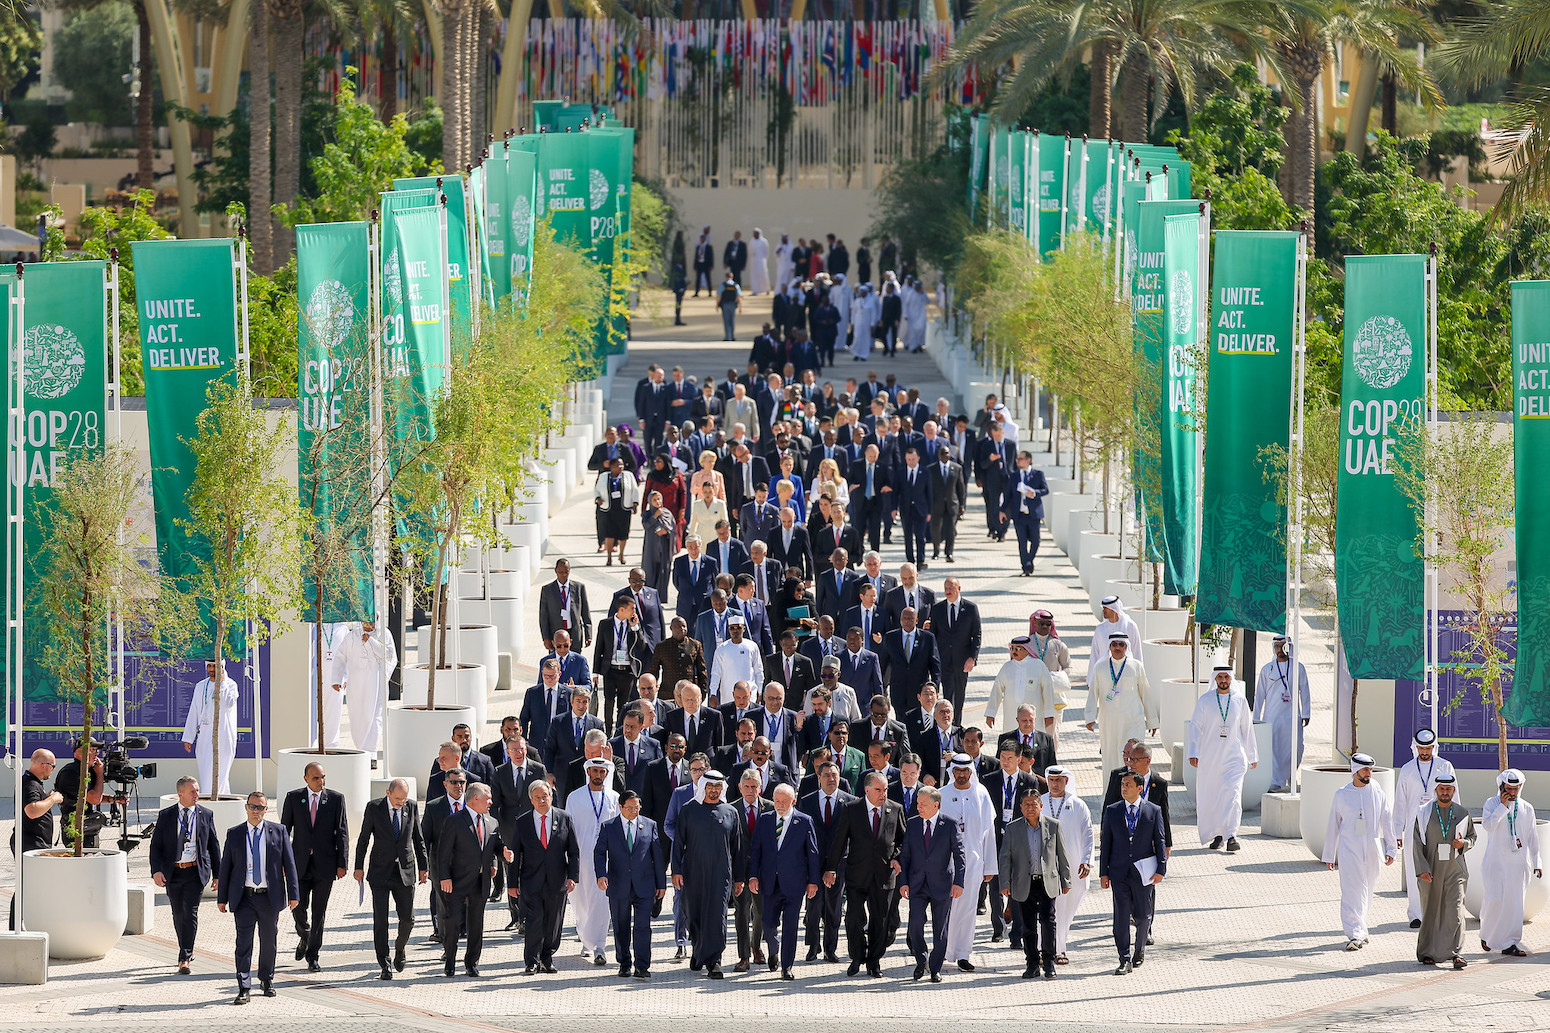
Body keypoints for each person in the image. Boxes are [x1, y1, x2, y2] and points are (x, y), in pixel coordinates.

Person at [217, 791, 299, 1004]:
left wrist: (294, 894)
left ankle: (266, 979)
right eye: (252, 807)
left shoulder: (278, 831)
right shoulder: (235, 833)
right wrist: (222, 898)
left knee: (268, 941)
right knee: (243, 943)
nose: (256, 811)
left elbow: (289, 864)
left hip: (268, 897)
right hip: (244, 897)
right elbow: (226, 867)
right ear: (246, 807)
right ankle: (244, 986)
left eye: (260, 808)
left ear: (266, 809)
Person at [825, 770, 905, 978]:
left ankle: (874, 961)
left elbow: (903, 841)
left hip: (884, 875)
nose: (883, 794)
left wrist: (897, 857)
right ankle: (857, 957)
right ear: (867, 790)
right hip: (857, 874)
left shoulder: (895, 809)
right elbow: (840, 841)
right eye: (878, 790)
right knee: (854, 918)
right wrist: (831, 868)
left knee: (881, 920)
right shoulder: (852, 809)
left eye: (885, 789)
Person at [672, 771, 749, 978]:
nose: (713, 791)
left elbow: (738, 848)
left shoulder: (730, 812)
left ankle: (714, 961)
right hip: (693, 872)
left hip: (721, 874)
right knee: (693, 914)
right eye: (710, 787)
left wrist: (739, 878)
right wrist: (676, 871)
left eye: (717, 787)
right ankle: (698, 951)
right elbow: (678, 843)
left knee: (716, 916)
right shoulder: (689, 810)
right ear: (703, 787)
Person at [354, 779, 428, 979]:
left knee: (408, 919)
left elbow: (418, 838)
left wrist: (424, 867)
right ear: (388, 793)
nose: (401, 802)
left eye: (404, 799)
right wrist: (358, 866)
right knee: (381, 920)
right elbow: (363, 838)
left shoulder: (411, 806)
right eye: (397, 799)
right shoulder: (374, 807)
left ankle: (400, 948)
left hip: (405, 870)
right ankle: (384, 963)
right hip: (380, 871)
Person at [278, 762, 348, 971]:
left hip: (325, 865)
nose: (321, 782)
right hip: (298, 864)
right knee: (297, 907)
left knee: (320, 911)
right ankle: (305, 936)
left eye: (323, 777)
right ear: (306, 779)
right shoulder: (293, 798)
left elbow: (342, 831)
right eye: (316, 778)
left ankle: (313, 955)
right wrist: (282, 861)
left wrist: (342, 863)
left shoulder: (335, 799)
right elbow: (284, 832)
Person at [1323, 753, 1396, 950]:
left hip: (1372, 852)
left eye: (1370, 770)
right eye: (1365, 770)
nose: (1368, 773)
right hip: (1349, 851)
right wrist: (1329, 854)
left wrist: (1391, 848)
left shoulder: (1378, 793)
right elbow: (1333, 825)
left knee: (1367, 891)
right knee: (1351, 892)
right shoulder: (1342, 795)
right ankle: (1354, 933)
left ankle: (1361, 930)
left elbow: (1387, 822)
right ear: (1355, 771)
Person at [148, 775, 220, 974]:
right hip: (173, 872)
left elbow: (213, 846)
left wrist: (217, 874)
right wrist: (156, 870)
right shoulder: (167, 815)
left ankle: (185, 956)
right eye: (193, 791)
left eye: (197, 790)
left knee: (190, 913)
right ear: (180, 794)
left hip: (195, 871)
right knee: (178, 913)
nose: (197, 794)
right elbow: (156, 846)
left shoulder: (206, 814)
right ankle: (185, 947)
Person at [748, 782, 819, 979]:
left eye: (784, 802)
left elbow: (812, 854)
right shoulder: (765, 820)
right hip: (769, 882)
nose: (779, 805)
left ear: (793, 801)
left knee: (791, 926)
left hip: (794, 883)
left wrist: (813, 881)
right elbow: (756, 851)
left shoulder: (804, 821)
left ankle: (787, 966)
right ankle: (773, 950)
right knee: (768, 923)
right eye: (777, 801)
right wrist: (753, 876)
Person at [507, 781, 579, 973]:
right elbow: (515, 854)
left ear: (552, 796)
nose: (541, 800)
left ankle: (547, 958)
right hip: (531, 880)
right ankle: (531, 961)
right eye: (537, 797)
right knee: (533, 921)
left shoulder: (564, 818)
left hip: (557, 880)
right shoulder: (523, 821)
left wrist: (573, 876)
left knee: (553, 922)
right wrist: (512, 883)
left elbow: (573, 851)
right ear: (531, 799)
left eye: (545, 796)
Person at [1099, 772, 1166, 975]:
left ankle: (1140, 948)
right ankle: (1124, 958)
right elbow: (1106, 843)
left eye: (1128, 784)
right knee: (1120, 917)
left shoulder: (1153, 811)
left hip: (1143, 872)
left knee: (1143, 916)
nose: (1124, 788)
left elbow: (1160, 840)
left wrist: (1161, 869)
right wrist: (1104, 873)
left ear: (1139, 788)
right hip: (1119, 872)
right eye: (1122, 784)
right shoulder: (1113, 811)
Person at [594, 788, 666, 978]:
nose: (634, 811)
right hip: (618, 885)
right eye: (630, 808)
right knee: (621, 926)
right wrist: (601, 874)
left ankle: (642, 966)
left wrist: (661, 884)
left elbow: (657, 856)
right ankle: (624, 963)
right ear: (620, 807)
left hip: (644, 885)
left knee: (643, 927)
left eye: (637, 807)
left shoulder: (649, 825)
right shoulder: (608, 827)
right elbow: (599, 852)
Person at [934, 754, 996, 971]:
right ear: (952, 772)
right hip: (945, 864)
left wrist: (990, 865)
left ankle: (962, 953)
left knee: (968, 909)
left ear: (971, 771)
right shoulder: (941, 795)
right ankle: (942, 951)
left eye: (965, 771)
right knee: (945, 908)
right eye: (957, 771)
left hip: (973, 862)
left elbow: (989, 833)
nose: (961, 775)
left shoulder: (981, 794)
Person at [999, 790, 1071, 980]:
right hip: (1023, 883)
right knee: (1028, 925)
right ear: (1021, 807)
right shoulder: (1013, 829)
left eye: (1034, 804)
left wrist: (1066, 879)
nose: (1030, 808)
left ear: (1041, 806)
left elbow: (1062, 855)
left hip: (1047, 882)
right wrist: (1005, 883)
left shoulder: (1053, 826)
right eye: (1027, 804)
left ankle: (1048, 962)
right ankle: (1032, 963)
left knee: (1048, 922)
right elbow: (1005, 858)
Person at [1187, 666, 1258, 852]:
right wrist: (1193, 752)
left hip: (1234, 758)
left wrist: (1252, 755)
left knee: (1232, 794)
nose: (1223, 680)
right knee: (1214, 797)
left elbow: (1247, 729)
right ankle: (1218, 835)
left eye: (1226, 676)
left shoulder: (1240, 701)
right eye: (1220, 677)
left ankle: (1231, 835)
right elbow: (1195, 727)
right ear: (1215, 679)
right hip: (1210, 759)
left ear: (1231, 678)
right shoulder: (1205, 701)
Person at [897, 785, 963, 982]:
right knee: (915, 925)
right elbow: (906, 855)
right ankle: (921, 960)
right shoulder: (913, 823)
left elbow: (960, 855)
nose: (919, 807)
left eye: (923, 804)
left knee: (940, 928)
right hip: (917, 884)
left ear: (936, 805)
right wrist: (904, 882)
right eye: (918, 803)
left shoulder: (950, 824)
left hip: (942, 884)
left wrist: (959, 882)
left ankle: (935, 968)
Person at [1392, 728, 1457, 929]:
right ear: (1415, 747)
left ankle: (1436, 912)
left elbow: (1455, 797)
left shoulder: (1445, 766)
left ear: (1434, 748)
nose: (1425, 752)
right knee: (1414, 869)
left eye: (1428, 748)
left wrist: (1457, 827)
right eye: (1421, 748)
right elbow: (1400, 803)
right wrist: (1397, 831)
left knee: (1439, 869)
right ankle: (1416, 914)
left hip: (1440, 826)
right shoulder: (1407, 769)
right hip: (1414, 827)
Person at [436, 782, 502, 978]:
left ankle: (472, 963)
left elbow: (494, 846)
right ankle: (450, 961)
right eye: (488, 798)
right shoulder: (455, 821)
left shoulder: (492, 822)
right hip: (456, 882)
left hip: (480, 882)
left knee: (476, 925)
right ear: (475, 799)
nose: (491, 801)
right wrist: (445, 877)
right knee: (453, 923)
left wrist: (502, 856)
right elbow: (443, 853)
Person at [1411, 774, 1475, 967]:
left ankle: (1455, 953)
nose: (1445, 792)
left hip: (1455, 870)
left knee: (1455, 911)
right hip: (1431, 870)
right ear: (1436, 790)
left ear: (1453, 791)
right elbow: (1415, 842)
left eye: (1448, 789)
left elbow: (1472, 837)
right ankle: (1428, 952)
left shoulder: (1462, 813)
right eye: (1442, 789)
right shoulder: (1424, 813)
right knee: (1431, 912)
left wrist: (1463, 843)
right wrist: (1422, 869)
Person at [1478, 770, 1542, 956]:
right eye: (1509, 788)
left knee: (1515, 905)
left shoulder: (1527, 808)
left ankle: (1510, 943)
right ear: (1501, 786)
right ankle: (1487, 934)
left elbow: (1532, 838)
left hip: (1518, 864)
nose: (1512, 793)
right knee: (1494, 900)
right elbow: (1488, 826)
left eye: (1516, 789)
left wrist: (1537, 861)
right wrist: (1503, 807)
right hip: (1495, 862)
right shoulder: (1492, 803)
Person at [1084, 635, 1157, 778]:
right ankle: (1110, 797)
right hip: (1109, 723)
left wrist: (1152, 720)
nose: (1117, 648)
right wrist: (1090, 717)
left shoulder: (1136, 666)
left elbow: (1146, 693)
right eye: (1114, 644)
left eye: (1121, 644)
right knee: (1110, 758)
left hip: (1133, 721)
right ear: (1109, 647)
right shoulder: (1100, 667)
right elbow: (1093, 693)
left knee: (1134, 756)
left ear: (1126, 647)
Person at [1040, 767, 1092, 965]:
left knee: (1065, 909)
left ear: (1066, 781)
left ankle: (1059, 947)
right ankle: (1049, 949)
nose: (1054, 784)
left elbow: (1088, 835)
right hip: (1045, 866)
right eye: (1051, 780)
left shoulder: (1078, 805)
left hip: (1071, 866)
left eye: (1058, 780)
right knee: (1047, 910)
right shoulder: (1040, 802)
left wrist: (1086, 860)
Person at [323, 620, 396, 755]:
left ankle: (371, 753)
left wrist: (371, 642)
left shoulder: (384, 634)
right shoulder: (352, 636)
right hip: (356, 686)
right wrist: (337, 679)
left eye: (372, 622)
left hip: (376, 685)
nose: (369, 625)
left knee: (375, 718)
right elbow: (340, 657)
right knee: (357, 717)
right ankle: (361, 751)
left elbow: (390, 656)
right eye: (366, 622)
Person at [1254, 635, 1310, 792]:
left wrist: (1306, 713)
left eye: (1282, 646)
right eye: (1276, 646)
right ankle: (1276, 780)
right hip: (1272, 717)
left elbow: (1304, 691)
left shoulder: (1298, 668)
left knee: (1297, 748)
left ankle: (1290, 773)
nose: (1279, 650)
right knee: (1274, 750)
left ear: (1289, 647)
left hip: (1292, 717)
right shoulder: (1267, 669)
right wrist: (1256, 719)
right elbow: (1259, 695)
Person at [730, 770, 773, 970]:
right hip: (740, 870)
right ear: (739, 788)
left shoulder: (770, 808)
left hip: (764, 869)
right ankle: (744, 955)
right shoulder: (731, 810)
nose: (750, 790)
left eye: (754, 786)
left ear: (760, 787)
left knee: (761, 911)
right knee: (741, 913)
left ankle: (756, 947)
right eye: (746, 786)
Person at [183, 660, 240, 797]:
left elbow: (228, 703)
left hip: (225, 736)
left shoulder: (231, 685)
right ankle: (210, 798)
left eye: (215, 666)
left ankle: (218, 799)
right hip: (205, 735)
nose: (212, 669)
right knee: (205, 771)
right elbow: (194, 711)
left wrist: (223, 683)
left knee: (222, 771)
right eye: (209, 666)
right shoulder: (200, 686)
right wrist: (188, 738)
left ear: (222, 667)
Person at [984, 635, 1055, 737]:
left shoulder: (1039, 666)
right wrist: (991, 713)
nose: (1013, 652)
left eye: (1017, 649)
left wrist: (1049, 714)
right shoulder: (1007, 667)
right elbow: (997, 690)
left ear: (1027, 649)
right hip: (1012, 717)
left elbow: (1048, 691)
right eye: (1012, 648)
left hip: (1032, 717)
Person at [929, 579, 981, 716]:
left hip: (962, 660)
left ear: (959, 588)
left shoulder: (970, 608)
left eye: (951, 588)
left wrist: (972, 658)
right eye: (946, 588)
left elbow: (976, 635)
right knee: (947, 694)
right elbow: (932, 636)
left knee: (959, 695)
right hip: (943, 659)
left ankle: (957, 725)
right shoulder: (937, 609)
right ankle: (948, 723)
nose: (948, 591)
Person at [1028, 610, 1072, 749]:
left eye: (1048, 624)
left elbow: (1068, 667)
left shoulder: (1058, 645)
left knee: (1053, 732)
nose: (1045, 627)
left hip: (1053, 696)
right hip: (1032, 694)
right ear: (1035, 623)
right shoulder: (1027, 644)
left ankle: (1052, 762)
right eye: (1042, 623)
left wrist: (1055, 679)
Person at [1004, 451, 1049, 575]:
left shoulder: (1038, 474)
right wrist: (1002, 510)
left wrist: (1034, 493)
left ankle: (1029, 560)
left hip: (1033, 514)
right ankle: (1026, 567)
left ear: (1028, 460)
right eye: (1017, 458)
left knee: (1036, 541)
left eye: (1020, 458)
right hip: (1019, 515)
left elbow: (1045, 490)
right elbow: (1008, 495)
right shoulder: (1014, 476)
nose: (1017, 461)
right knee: (1022, 542)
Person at [593, 456, 639, 567]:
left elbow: (634, 489)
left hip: (624, 509)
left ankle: (621, 554)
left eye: (622, 465)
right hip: (608, 509)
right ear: (611, 467)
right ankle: (609, 557)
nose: (620, 467)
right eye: (618, 465)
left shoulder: (628, 475)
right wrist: (598, 498)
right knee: (609, 534)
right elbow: (597, 489)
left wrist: (635, 503)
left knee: (623, 534)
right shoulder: (604, 476)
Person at [539, 558, 593, 652]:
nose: (563, 575)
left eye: (566, 572)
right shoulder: (547, 590)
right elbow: (543, 616)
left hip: (574, 635)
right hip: (556, 635)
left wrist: (588, 634)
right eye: (560, 572)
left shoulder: (579, 588)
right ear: (555, 571)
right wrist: (546, 637)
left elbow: (585, 612)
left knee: (575, 662)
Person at [927, 445, 966, 563]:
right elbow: (928, 489)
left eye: (947, 453)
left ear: (950, 455)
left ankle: (949, 553)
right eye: (942, 453)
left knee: (950, 530)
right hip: (936, 504)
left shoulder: (957, 468)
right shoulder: (931, 469)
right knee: (935, 529)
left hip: (951, 504)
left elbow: (961, 488)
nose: (944, 456)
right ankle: (936, 551)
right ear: (938, 455)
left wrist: (962, 505)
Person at [1090, 596, 1144, 666]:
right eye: (1103, 608)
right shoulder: (1100, 628)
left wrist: (1139, 672)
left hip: (1126, 670)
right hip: (1104, 670)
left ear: (1114, 609)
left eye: (1106, 608)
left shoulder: (1130, 626)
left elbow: (1137, 652)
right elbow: (1094, 654)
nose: (1104, 611)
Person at [717, 273, 743, 342]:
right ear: (732, 277)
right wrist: (740, 307)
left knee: (726, 321)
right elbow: (739, 297)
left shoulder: (723, 285)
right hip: (733, 304)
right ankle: (732, 336)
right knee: (732, 321)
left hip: (725, 304)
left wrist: (717, 305)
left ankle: (727, 336)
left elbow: (719, 295)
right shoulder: (736, 285)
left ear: (726, 277)